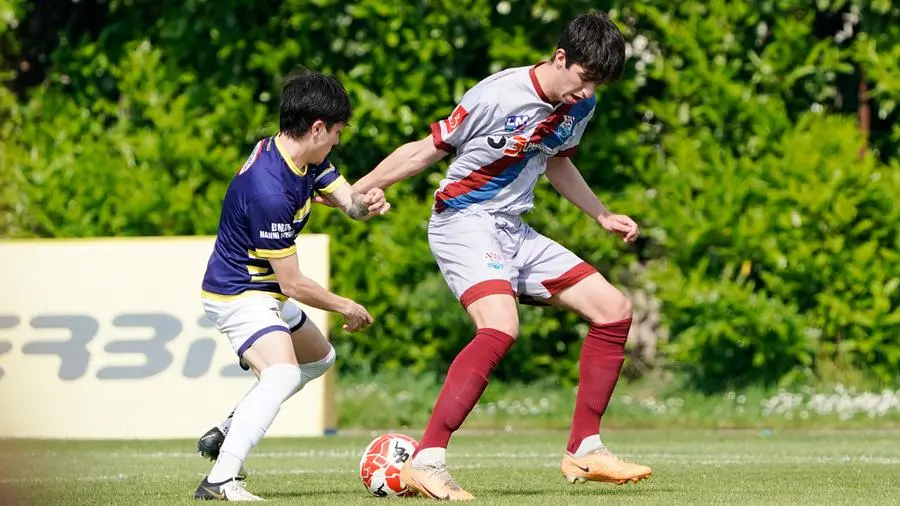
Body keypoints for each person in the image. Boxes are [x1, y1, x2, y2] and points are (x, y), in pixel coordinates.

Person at [351, 11, 652, 501]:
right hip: (463, 223)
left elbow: (556, 163)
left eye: (598, 84)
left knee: (614, 310)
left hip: (514, 230)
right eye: (584, 78)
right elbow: (425, 151)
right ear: (560, 58)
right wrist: (354, 192)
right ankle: (427, 460)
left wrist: (600, 214)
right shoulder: (496, 94)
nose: (588, 92)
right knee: (500, 327)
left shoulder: (580, 106)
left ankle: (585, 448)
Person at [193, 68, 390, 501]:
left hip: (265, 291)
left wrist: (366, 204)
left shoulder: (301, 158)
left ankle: (229, 427)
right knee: (281, 373)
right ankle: (220, 481)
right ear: (317, 127)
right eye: (336, 132)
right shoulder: (270, 188)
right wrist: (345, 306)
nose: (338, 140)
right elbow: (294, 283)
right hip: (239, 293)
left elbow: (348, 202)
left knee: (318, 359)